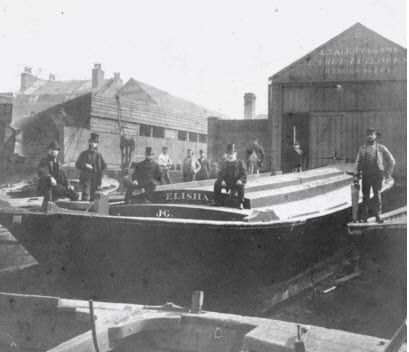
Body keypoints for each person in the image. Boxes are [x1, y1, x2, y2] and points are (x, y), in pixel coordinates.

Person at [354, 128, 395, 223]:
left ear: (375, 136)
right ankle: (364, 218)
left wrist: (387, 175)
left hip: (377, 175)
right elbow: (357, 163)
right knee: (365, 196)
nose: (369, 136)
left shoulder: (381, 148)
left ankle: (378, 216)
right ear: (366, 136)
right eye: (368, 134)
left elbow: (392, 161)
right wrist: (356, 176)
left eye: (372, 134)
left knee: (377, 195)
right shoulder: (362, 149)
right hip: (366, 175)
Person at [213, 143, 247, 209]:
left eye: (232, 153)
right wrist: (221, 180)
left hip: (236, 182)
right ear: (227, 154)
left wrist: (240, 180)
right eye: (229, 153)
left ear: (235, 153)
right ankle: (217, 201)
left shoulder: (240, 162)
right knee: (217, 183)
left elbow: (244, 173)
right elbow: (219, 174)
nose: (230, 155)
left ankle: (240, 203)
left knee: (241, 185)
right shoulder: (224, 163)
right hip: (226, 183)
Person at [75, 133, 107, 201]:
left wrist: (101, 174)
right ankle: (83, 210)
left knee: (94, 197)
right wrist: (85, 165)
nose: (93, 144)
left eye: (95, 142)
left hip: (96, 179)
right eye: (92, 142)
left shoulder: (99, 155)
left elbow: (104, 166)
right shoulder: (84, 153)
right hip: (86, 178)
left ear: (97, 144)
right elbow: (77, 164)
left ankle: (92, 211)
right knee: (85, 195)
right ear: (89, 142)